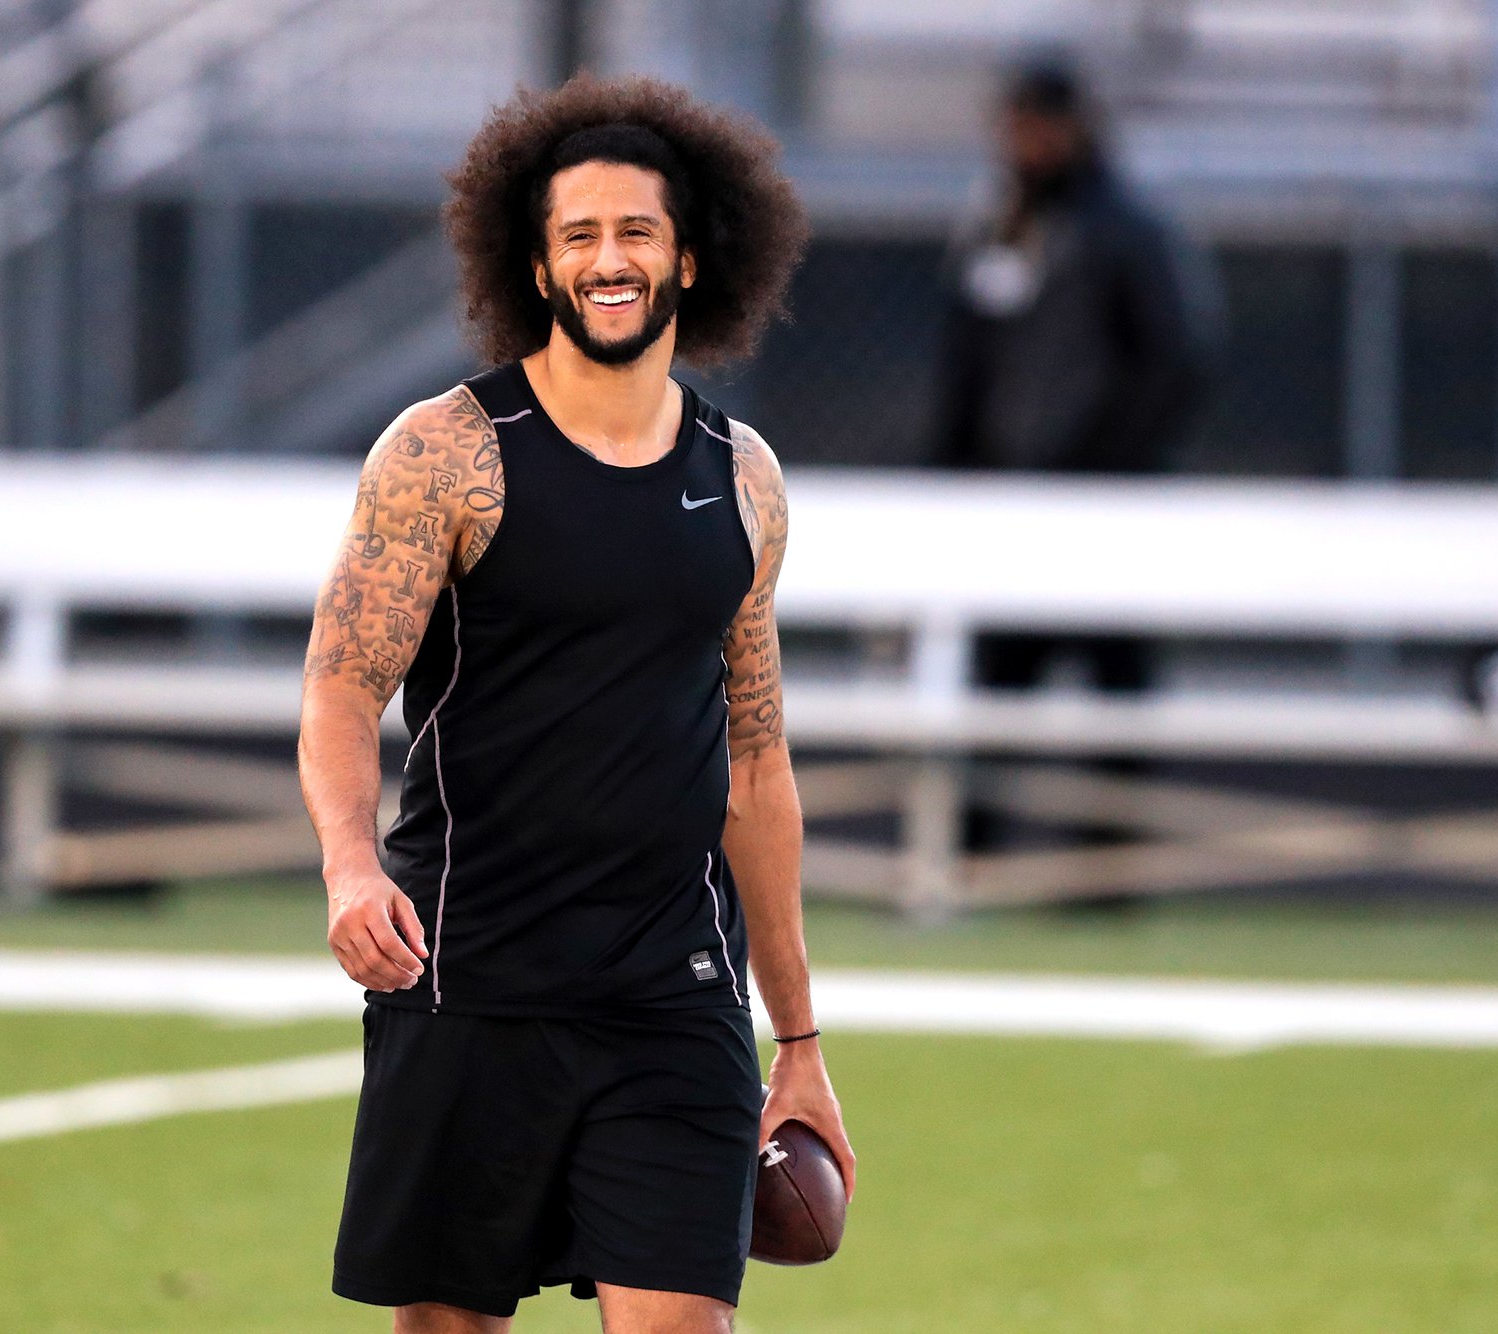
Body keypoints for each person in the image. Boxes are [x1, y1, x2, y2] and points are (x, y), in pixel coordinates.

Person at [298, 75, 856, 1334]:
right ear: (538, 267)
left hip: (672, 994)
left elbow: (755, 772)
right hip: (465, 981)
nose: (609, 260)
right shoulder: (443, 452)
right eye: (578, 236)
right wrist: (345, 866)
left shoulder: (745, 481)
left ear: (691, 259)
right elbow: (341, 687)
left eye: (636, 233)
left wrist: (801, 1040)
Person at [936, 57, 1219, 704]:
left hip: (1102, 500)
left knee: (1115, 678)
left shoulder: (1125, 232)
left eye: (1037, 126)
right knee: (1000, 684)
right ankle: (982, 810)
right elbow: (970, 357)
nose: (1022, 143)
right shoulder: (998, 225)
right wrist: (958, 461)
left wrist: (1108, 462)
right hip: (1011, 498)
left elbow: (1175, 359)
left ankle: (1113, 810)